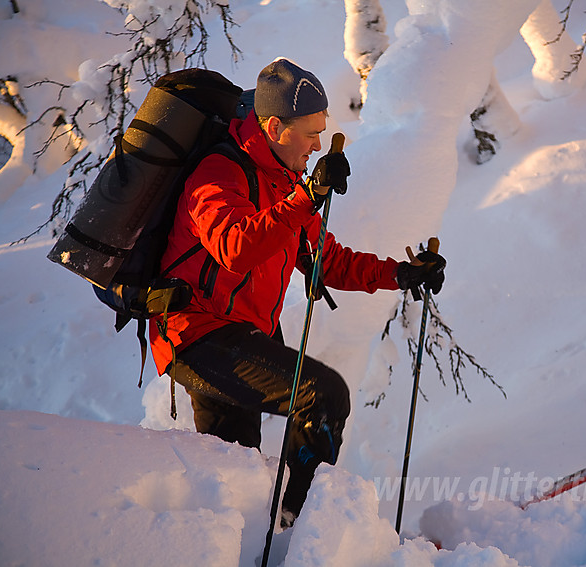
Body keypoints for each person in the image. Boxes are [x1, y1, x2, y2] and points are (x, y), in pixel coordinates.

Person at [148, 57, 446, 524]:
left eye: (321, 132)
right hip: (197, 335)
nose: (318, 145)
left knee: (237, 471)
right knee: (322, 395)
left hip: (244, 332)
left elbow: (327, 260)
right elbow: (234, 248)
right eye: (310, 133)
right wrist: (306, 197)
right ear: (273, 126)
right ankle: (296, 522)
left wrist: (402, 274)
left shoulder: (284, 181)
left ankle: (257, 532)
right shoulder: (218, 174)